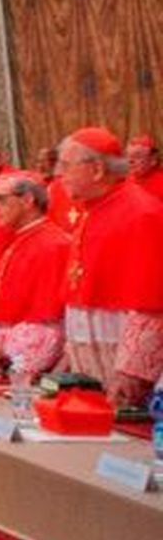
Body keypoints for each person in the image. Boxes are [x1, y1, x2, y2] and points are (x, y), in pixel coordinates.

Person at [57, 127, 163, 406]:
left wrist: (132, 371)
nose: (59, 173)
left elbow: (150, 302)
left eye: (67, 165)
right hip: (91, 356)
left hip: (123, 358)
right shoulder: (91, 209)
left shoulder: (143, 213)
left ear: (96, 170)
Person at [0, 173, 70, 379]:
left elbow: (50, 324)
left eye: (1, 199)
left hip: (29, 367)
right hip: (3, 358)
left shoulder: (54, 245)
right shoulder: (20, 238)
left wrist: (10, 357)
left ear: (28, 200)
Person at [128, 135, 163, 200]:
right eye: (129, 156)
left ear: (153, 160)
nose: (130, 161)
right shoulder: (128, 179)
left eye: (137, 156)